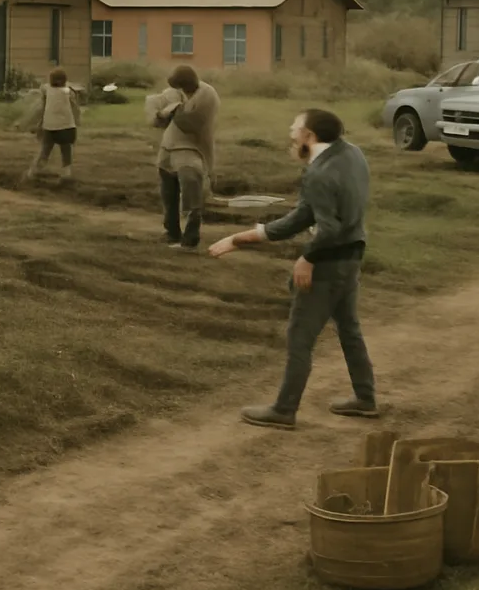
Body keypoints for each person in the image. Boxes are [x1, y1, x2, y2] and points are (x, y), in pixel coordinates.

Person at [209, 109, 376, 429]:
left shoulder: (318, 174)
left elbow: (326, 228)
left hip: (327, 264)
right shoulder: (352, 154)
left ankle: (285, 410)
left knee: (300, 337)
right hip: (352, 257)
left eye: (296, 128)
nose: (290, 132)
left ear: (310, 137)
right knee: (349, 329)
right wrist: (242, 238)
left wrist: (307, 258)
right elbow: (302, 217)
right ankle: (366, 398)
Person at [146, 65, 219, 249]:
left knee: (191, 193)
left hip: (192, 148)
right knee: (168, 193)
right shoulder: (175, 93)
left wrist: (171, 111)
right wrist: (162, 112)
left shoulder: (207, 95)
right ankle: (171, 232)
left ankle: (190, 237)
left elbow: (189, 123)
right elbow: (154, 107)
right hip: (168, 147)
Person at [25, 68, 82, 183]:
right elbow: (76, 107)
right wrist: (77, 120)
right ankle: (66, 173)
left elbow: (44, 98)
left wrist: (39, 123)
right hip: (67, 126)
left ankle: (34, 172)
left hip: (49, 126)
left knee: (45, 150)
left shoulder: (46, 90)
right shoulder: (69, 92)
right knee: (66, 150)